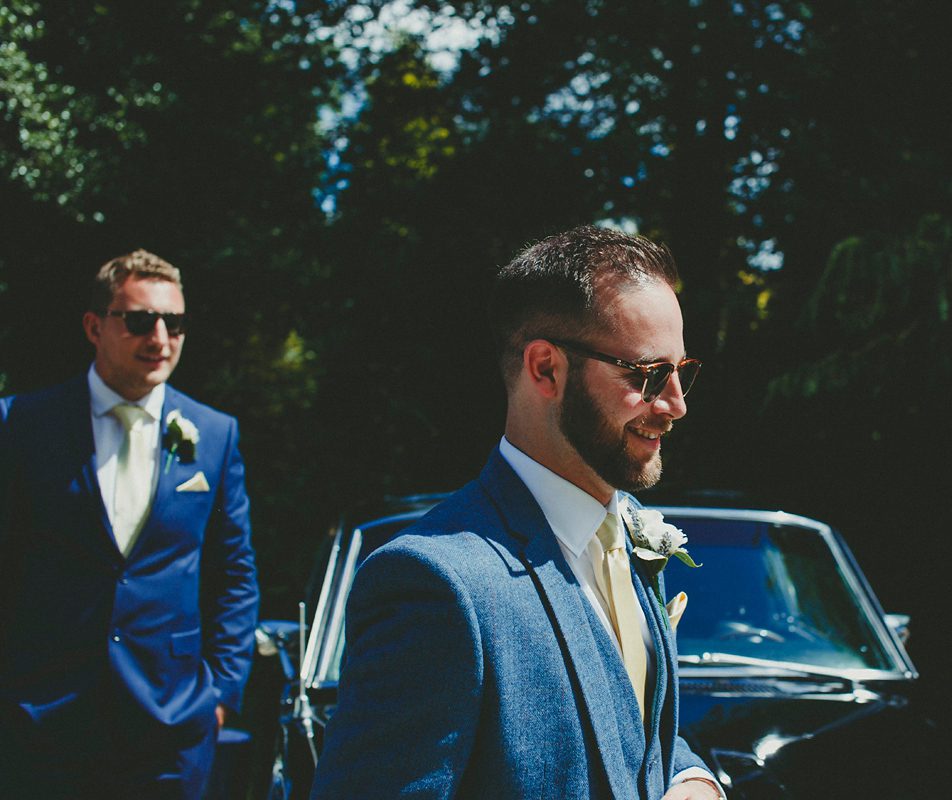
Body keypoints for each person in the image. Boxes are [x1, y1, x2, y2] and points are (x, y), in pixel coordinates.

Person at [310, 226, 722, 800]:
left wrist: (693, 781)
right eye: (648, 374)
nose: (676, 404)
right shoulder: (434, 584)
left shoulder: (626, 541)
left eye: (684, 371)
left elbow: (632, 732)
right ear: (545, 369)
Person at [0, 249, 260, 799]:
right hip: (42, 721)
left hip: (169, 725)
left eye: (176, 323)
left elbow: (234, 574)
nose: (161, 338)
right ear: (95, 326)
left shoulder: (215, 435)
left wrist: (219, 696)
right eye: (141, 320)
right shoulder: (22, 424)